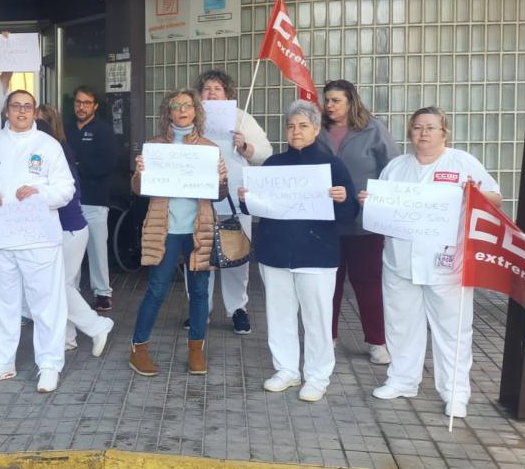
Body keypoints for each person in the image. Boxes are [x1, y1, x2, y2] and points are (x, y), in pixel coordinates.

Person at [363, 107, 501, 419]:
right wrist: (371, 203)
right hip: (399, 262)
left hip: (447, 264)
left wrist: (474, 193)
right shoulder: (396, 168)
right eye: (417, 128)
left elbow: (496, 198)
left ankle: (455, 392)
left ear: (444, 133)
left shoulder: (461, 162)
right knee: (400, 325)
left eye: (431, 127)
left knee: (452, 330)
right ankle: (402, 379)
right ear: (409, 132)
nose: (423, 133)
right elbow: (382, 211)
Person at [238, 100, 359, 402]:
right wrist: (245, 199)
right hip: (275, 252)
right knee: (279, 314)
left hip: (316, 254)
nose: (296, 131)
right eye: (291, 126)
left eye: (303, 125)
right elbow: (258, 207)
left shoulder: (332, 166)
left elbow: (349, 214)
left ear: (316, 129)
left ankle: (318, 376)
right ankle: (287, 369)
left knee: (317, 317)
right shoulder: (273, 164)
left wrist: (344, 199)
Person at [0, 91, 75, 394]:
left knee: (46, 303)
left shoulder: (48, 146)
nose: (22, 112)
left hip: (38, 238)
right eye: (16, 106)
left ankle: (50, 364)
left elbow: (66, 188)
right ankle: (1, 363)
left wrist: (40, 192)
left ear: (35, 112)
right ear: (6, 110)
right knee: (1, 304)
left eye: (28, 107)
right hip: (0, 238)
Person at [128, 89, 227, 378]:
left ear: (196, 110)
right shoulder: (155, 146)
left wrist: (221, 179)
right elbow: (138, 190)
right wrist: (139, 173)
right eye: (176, 106)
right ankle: (139, 349)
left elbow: (218, 195)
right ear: (168, 112)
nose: (182, 110)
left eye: (187, 105)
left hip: (198, 230)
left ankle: (196, 350)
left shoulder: (209, 148)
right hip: (166, 229)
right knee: (156, 290)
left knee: (199, 293)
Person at [316, 79, 401, 365]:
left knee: (368, 282)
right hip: (328, 220)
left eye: (336, 100)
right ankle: (327, 338)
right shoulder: (317, 130)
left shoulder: (373, 129)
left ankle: (377, 342)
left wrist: (381, 201)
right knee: (329, 284)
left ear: (352, 102)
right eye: (327, 100)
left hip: (366, 222)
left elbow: (393, 169)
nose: (329, 106)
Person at [195, 70, 271, 335]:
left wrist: (246, 147)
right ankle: (199, 309)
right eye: (207, 88)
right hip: (200, 198)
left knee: (235, 252)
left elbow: (265, 154)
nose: (212, 92)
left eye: (217, 88)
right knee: (199, 253)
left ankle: (237, 308)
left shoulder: (242, 118)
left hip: (235, 199)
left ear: (228, 93)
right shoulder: (192, 118)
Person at [35, 105, 113, 357]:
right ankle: (68, 338)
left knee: (59, 287)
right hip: (66, 228)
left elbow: (62, 196)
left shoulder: (55, 155)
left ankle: (97, 325)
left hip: (67, 228)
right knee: (64, 285)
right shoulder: (60, 150)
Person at [64, 85, 118, 312]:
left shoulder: (103, 130)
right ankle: (71, 290)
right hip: (70, 200)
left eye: (86, 103)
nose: (81, 107)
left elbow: (106, 165)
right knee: (71, 248)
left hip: (95, 199)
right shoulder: (67, 129)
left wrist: (77, 167)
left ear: (95, 106)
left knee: (96, 248)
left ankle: (103, 293)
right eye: (78, 102)